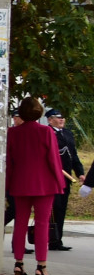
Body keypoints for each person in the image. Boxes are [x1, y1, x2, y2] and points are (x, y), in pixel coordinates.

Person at [6, 97, 65, 275]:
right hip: (44, 184)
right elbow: (54, 159)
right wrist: (59, 181)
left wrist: (8, 185)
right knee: (42, 225)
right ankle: (41, 268)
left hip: (20, 183)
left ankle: (18, 263)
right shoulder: (46, 131)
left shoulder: (12, 133)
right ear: (39, 112)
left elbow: (9, 162)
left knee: (20, 223)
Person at [46, 108, 84, 251]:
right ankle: (49, 239)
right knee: (53, 209)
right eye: (58, 117)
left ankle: (57, 240)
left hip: (66, 178)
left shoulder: (67, 134)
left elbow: (73, 155)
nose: (61, 120)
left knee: (61, 209)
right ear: (50, 120)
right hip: (52, 178)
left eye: (63, 117)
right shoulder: (47, 133)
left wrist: (80, 172)